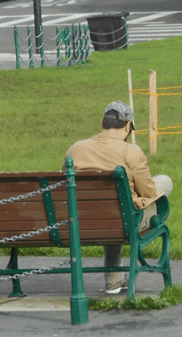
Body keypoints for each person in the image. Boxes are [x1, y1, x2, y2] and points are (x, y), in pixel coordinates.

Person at [65, 100, 173, 294]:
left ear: (102, 124)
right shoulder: (130, 151)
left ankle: (113, 280)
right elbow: (148, 191)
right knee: (163, 182)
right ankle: (114, 279)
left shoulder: (75, 149)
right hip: (123, 221)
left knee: (110, 209)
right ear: (128, 126)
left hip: (82, 221)